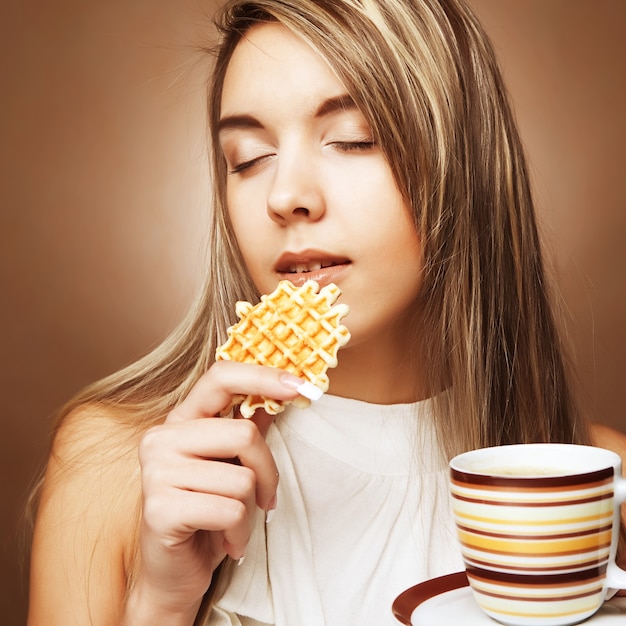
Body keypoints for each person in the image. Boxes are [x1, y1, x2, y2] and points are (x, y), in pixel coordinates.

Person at [27, 0, 626, 624]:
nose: (285, 197)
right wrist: (160, 604)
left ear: (465, 165)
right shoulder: (117, 467)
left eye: (352, 140)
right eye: (250, 158)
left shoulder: (600, 482)